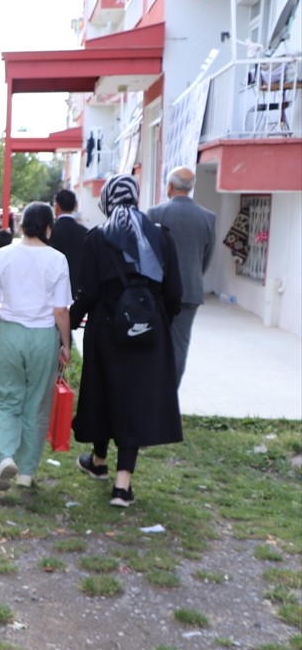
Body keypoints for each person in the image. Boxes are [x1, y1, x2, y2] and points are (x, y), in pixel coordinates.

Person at [71, 174, 183, 508]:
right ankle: (122, 485)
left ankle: (99, 461)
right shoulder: (160, 236)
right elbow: (174, 292)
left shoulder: (97, 237)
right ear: (135, 198)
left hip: (106, 332)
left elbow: (87, 292)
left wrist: (67, 327)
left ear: (107, 201)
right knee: (134, 402)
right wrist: (158, 323)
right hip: (148, 334)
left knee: (104, 394)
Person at [0, 203, 72, 491]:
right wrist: (65, 344)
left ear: (22, 226)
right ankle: (26, 472)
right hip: (43, 337)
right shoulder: (58, 259)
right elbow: (61, 310)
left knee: (5, 399)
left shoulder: (3, 255)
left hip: (9, 334)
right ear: (49, 229)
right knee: (37, 404)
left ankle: (5, 457)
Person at [147, 166, 216, 387]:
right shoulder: (208, 217)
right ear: (191, 188)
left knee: (154, 342)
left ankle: (154, 392)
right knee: (179, 345)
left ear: (169, 186)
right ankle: (170, 393)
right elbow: (206, 257)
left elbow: (148, 254)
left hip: (158, 291)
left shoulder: (155, 214)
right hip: (189, 290)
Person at [50, 189, 89, 297]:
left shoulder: (50, 232)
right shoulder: (86, 233)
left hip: (54, 290)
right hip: (79, 291)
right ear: (75, 206)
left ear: (56, 206)